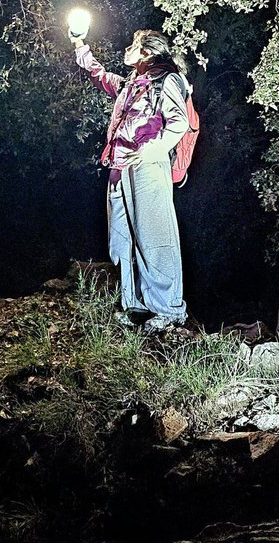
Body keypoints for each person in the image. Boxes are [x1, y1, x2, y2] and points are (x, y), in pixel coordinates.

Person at [71, 25, 189, 335]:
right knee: (122, 238)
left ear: (146, 52)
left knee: (154, 236)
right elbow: (101, 76)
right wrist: (80, 45)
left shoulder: (166, 81)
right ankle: (135, 306)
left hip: (147, 166)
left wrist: (150, 150)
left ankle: (167, 309)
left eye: (132, 45)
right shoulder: (131, 83)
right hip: (119, 167)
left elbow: (179, 122)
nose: (126, 49)